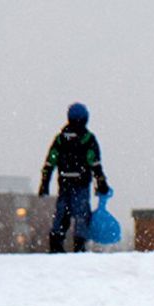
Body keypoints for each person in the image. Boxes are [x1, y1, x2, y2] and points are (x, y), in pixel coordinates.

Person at [39, 102, 110, 253]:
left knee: (62, 213)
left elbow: (50, 162)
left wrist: (45, 183)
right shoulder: (88, 139)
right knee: (81, 215)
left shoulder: (60, 139)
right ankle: (79, 245)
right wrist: (101, 182)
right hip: (81, 184)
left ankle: (56, 242)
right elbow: (95, 163)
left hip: (64, 183)